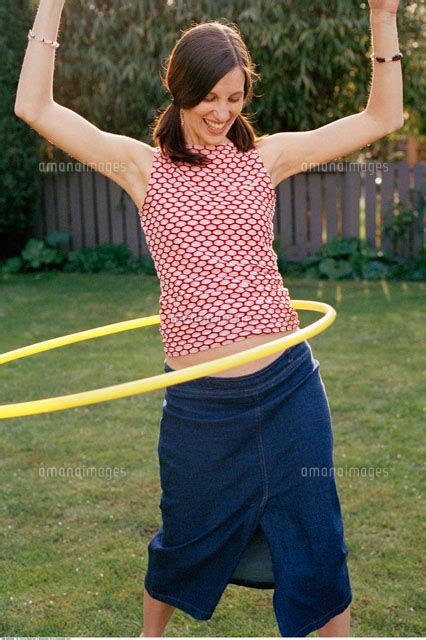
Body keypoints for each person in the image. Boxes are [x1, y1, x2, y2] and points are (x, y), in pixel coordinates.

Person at [15, 1, 403, 636]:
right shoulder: (142, 167)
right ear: (180, 91)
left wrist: (384, 15)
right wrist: (51, 4)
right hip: (200, 402)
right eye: (209, 98)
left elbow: (384, 117)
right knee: (184, 537)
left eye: (234, 97)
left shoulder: (265, 158)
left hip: (288, 388)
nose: (222, 113)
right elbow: (36, 109)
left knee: (316, 539)